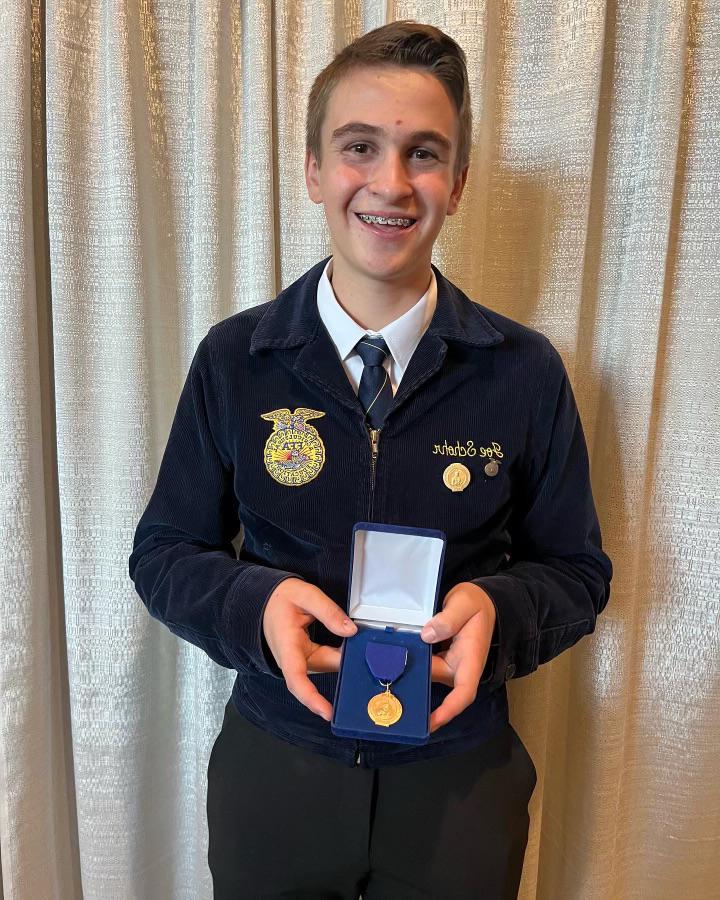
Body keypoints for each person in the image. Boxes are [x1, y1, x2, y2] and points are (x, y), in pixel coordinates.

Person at [129, 20, 612, 900]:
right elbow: (163, 553)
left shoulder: (525, 372)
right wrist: (256, 599)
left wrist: (496, 611)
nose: (391, 183)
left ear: (458, 182)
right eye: (360, 147)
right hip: (279, 767)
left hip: (459, 779)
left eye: (424, 153)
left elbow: (578, 572)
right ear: (315, 168)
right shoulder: (237, 361)